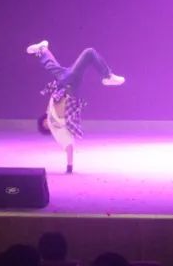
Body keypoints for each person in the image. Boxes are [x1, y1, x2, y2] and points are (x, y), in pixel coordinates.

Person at [26, 40, 125, 174]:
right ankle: (107, 76)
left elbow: (51, 100)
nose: (46, 123)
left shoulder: (49, 110)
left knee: (58, 67)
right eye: (46, 126)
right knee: (87, 53)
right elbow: (69, 146)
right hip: (71, 91)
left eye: (44, 122)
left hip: (64, 85)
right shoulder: (58, 130)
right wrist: (69, 166)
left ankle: (43, 50)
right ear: (48, 130)